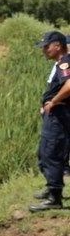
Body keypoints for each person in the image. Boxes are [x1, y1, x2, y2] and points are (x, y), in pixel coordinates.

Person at [29, 31, 70, 212]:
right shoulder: (61, 62)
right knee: (44, 153)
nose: (44, 50)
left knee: (51, 153)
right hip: (55, 115)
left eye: (46, 46)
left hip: (59, 116)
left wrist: (53, 101)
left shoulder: (65, 63)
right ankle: (52, 189)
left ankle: (55, 198)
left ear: (57, 46)